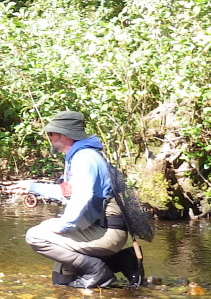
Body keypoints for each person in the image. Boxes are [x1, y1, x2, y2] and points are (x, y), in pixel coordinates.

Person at [7, 110, 130, 289]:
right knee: (61, 280)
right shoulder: (81, 156)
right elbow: (69, 191)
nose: (49, 138)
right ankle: (118, 262)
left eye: (51, 134)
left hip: (106, 233)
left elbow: (83, 195)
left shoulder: (84, 158)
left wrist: (63, 224)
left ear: (62, 135)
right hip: (97, 229)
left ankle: (98, 270)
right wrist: (32, 187)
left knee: (35, 236)